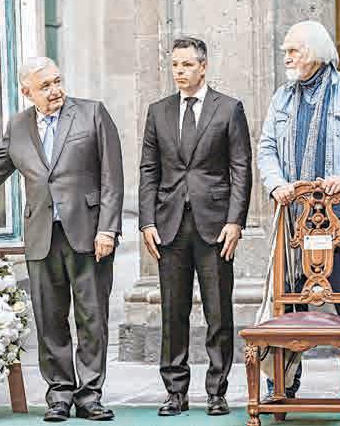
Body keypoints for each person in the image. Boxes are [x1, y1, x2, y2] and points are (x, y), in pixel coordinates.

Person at [0, 57, 124, 422]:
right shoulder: (18, 127)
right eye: (45, 86)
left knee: (92, 318)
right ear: (27, 92)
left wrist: (107, 229)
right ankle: (59, 395)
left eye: (57, 81)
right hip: (42, 237)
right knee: (49, 320)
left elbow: (112, 178)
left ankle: (90, 396)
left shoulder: (92, 114)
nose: (55, 90)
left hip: (89, 235)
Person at [257, 20, 340, 414]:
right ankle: (283, 386)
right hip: (294, 221)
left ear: (313, 52)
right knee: (287, 304)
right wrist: (277, 184)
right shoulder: (282, 98)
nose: (286, 57)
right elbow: (266, 148)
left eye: (292, 51)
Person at [139, 37, 252, 416]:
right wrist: (147, 221)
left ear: (203, 67)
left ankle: (217, 391)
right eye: (175, 65)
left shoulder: (229, 108)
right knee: (173, 312)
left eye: (187, 65)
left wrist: (235, 221)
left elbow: (241, 168)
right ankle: (175, 392)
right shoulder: (158, 112)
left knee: (218, 311)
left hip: (215, 226)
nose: (179, 72)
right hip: (169, 226)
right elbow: (148, 170)